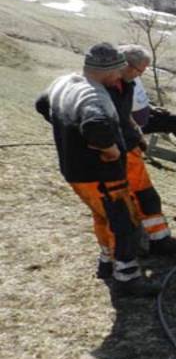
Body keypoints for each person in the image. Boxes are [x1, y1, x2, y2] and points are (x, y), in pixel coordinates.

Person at [39, 43, 159, 297]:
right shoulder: (93, 96)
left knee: (103, 217)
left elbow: (41, 104)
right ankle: (126, 279)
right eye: (117, 71)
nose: (119, 77)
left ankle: (106, 263)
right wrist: (111, 150)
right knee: (124, 223)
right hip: (101, 175)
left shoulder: (65, 83)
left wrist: (68, 131)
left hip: (75, 172)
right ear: (107, 70)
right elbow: (95, 126)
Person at [113, 44, 176, 256]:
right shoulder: (108, 87)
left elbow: (126, 114)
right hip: (119, 151)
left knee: (140, 197)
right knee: (142, 197)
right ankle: (156, 242)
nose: (141, 75)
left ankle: (145, 241)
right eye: (140, 70)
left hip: (129, 147)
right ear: (127, 65)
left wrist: (138, 135)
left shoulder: (125, 84)